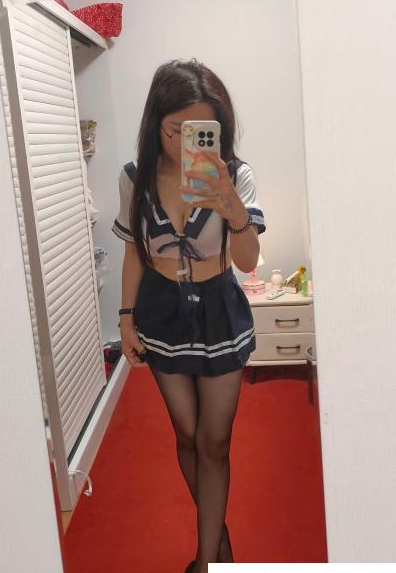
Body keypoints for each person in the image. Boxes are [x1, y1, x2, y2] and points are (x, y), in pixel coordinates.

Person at [111, 58, 266, 573]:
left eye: (201, 130)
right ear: (156, 123)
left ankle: (206, 561)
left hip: (218, 309)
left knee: (214, 441)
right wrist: (126, 318)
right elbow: (134, 250)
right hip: (161, 311)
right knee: (186, 435)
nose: (185, 142)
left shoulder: (236, 176)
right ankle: (220, 547)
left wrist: (231, 205)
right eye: (175, 130)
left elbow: (248, 261)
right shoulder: (135, 178)